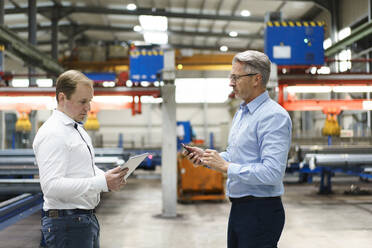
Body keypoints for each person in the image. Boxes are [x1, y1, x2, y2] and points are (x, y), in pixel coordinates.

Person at [183, 50, 292, 248]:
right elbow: (235, 157)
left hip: (261, 212)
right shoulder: (242, 113)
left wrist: (226, 167)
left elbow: (273, 173)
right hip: (240, 208)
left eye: (236, 77)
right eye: (230, 77)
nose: (231, 82)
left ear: (256, 79)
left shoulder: (273, 116)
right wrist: (208, 158)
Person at [33, 70, 129, 248]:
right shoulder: (54, 133)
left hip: (83, 221)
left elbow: (84, 169)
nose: (88, 108)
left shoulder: (76, 129)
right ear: (62, 98)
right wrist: (101, 183)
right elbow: (51, 187)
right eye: (82, 102)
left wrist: (108, 177)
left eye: (89, 101)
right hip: (67, 226)